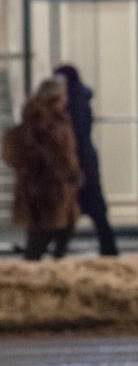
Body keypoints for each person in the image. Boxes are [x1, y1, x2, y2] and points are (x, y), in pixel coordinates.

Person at [2, 76, 84, 260]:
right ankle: (39, 275)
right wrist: (70, 174)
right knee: (43, 235)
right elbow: (57, 156)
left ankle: (50, 269)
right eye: (63, 96)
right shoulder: (47, 125)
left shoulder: (48, 120)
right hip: (46, 188)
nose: (66, 100)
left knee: (57, 231)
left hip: (49, 187)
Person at [53, 63, 118, 255]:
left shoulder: (73, 102)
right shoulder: (79, 99)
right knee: (93, 211)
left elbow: (77, 134)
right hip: (84, 160)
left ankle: (59, 249)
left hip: (78, 161)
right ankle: (107, 248)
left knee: (71, 208)